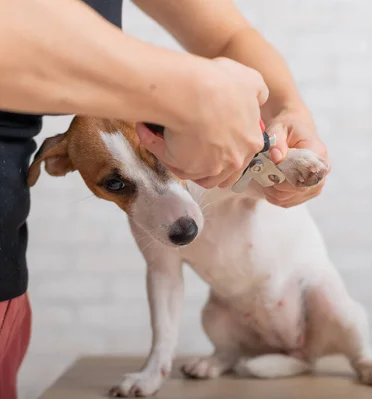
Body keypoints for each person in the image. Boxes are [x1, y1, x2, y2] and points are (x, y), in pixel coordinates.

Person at [0, 1, 329, 398]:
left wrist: (293, 112)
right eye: (118, 185)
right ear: (54, 165)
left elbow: (227, 36)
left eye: (157, 157)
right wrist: (179, 88)